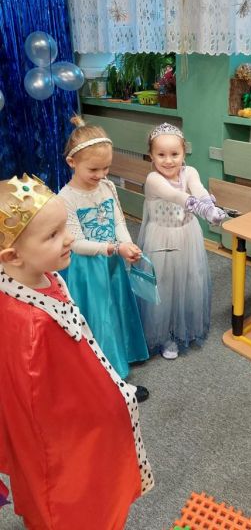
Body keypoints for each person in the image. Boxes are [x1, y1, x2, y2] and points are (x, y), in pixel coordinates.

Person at [0, 174, 153, 529]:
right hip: (63, 440)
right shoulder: (31, 325)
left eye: (64, 227)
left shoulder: (38, 274)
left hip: (77, 416)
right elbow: (39, 403)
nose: (69, 237)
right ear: (12, 256)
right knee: (71, 504)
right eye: (53, 235)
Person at [58, 115, 149, 400]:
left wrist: (127, 243)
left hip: (112, 260)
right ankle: (108, 374)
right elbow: (76, 243)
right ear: (72, 162)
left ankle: (122, 353)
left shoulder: (107, 187)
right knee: (100, 315)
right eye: (94, 169)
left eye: (106, 167)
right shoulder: (66, 198)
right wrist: (113, 248)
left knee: (117, 306)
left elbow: (119, 220)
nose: (101, 174)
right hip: (88, 269)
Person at [137, 122, 226, 359]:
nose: (168, 160)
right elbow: (176, 196)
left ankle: (181, 327)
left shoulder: (190, 172)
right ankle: (163, 334)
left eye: (174, 154)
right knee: (164, 283)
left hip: (187, 235)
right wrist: (203, 210)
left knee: (189, 279)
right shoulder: (153, 179)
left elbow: (198, 189)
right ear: (151, 156)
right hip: (162, 239)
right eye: (161, 155)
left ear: (184, 153)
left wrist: (210, 205)